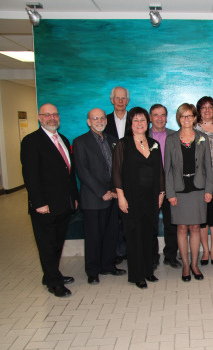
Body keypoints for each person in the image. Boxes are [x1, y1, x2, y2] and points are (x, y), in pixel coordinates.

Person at [21, 103, 79, 297]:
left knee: (57, 242)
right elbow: (30, 176)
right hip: (44, 205)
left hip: (63, 203)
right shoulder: (31, 141)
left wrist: (74, 197)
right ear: (39, 118)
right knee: (46, 243)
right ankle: (54, 283)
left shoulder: (62, 138)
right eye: (47, 115)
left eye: (55, 114)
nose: (52, 118)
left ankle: (51, 273)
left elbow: (69, 173)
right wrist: (38, 203)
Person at [112, 107, 165, 289]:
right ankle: (137, 275)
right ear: (130, 124)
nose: (140, 123)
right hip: (131, 198)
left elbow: (159, 171)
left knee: (149, 235)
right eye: (136, 120)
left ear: (147, 122)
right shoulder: (123, 144)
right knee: (134, 236)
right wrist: (121, 196)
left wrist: (161, 193)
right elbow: (116, 173)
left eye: (143, 120)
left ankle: (148, 271)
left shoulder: (153, 143)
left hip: (150, 198)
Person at [73, 108, 125, 285]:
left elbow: (118, 168)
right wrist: (102, 192)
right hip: (93, 198)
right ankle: (93, 270)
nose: (99, 120)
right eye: (95, 118)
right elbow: (82, 171)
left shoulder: (113, 141)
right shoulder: (80, 142)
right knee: (93, 236)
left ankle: (108, 265)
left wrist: (116, 190)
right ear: (89, 121)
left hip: (113, 196)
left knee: (111, 233)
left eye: (102, 118)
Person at [164, 103, 213, 282]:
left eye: (189, 116)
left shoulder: (202, 138)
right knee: (182, 228)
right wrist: (170, 193)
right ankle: (185, 265)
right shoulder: (171, 139)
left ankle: (194, 264)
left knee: (195, 228)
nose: (186, 119)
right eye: (183, 116)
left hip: (198, 190)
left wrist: (209, 190)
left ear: (194, 118)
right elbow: (167, 169)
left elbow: (209, 166)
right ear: (179, 118)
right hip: (179, 190)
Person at [148, 104, 181, 269]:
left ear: (167, 117)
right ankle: (152, 256)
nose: (159, 118)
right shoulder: (142, 135)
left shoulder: (174, 136)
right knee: (151, 224)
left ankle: (170, 256)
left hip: (171, 185)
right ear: (150, 117)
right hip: (150, 187)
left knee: (171, 223)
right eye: (156, 115)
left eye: (162, 115)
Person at [194, 96, 213, 266]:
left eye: (210, 107)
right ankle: (205, 250)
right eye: (203, 107)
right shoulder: (193, 129)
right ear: (199, 110)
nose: (207, 110)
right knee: (203, 217)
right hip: (200, 180)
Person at [104, 86, 130, 265]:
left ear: (127, 100)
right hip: (111, 178)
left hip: (132, 178)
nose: (120, 101)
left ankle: (131, 251)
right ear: (112, 100)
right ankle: (116, 253)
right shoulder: (103, 121)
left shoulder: (136, 121)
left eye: (123, 98)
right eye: (117, 98)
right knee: (113, 220)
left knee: (130, 218)